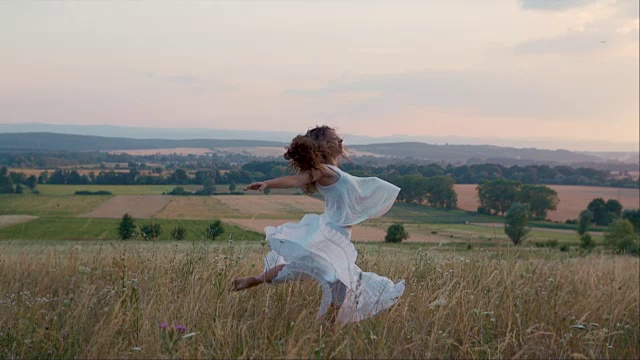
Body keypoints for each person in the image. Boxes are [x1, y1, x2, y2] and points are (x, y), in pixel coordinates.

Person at [231, 125, 405, 324]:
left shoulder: (332, 170)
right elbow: (297, 179)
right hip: (333, 232)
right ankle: (328, 325)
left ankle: (254, 280)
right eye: (333, 139)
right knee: (340, 278)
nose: (339, 141)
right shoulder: (324, 170)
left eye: (338, 138)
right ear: (322, 146)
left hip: (335, 231)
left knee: (303, 267)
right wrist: (268, 184)